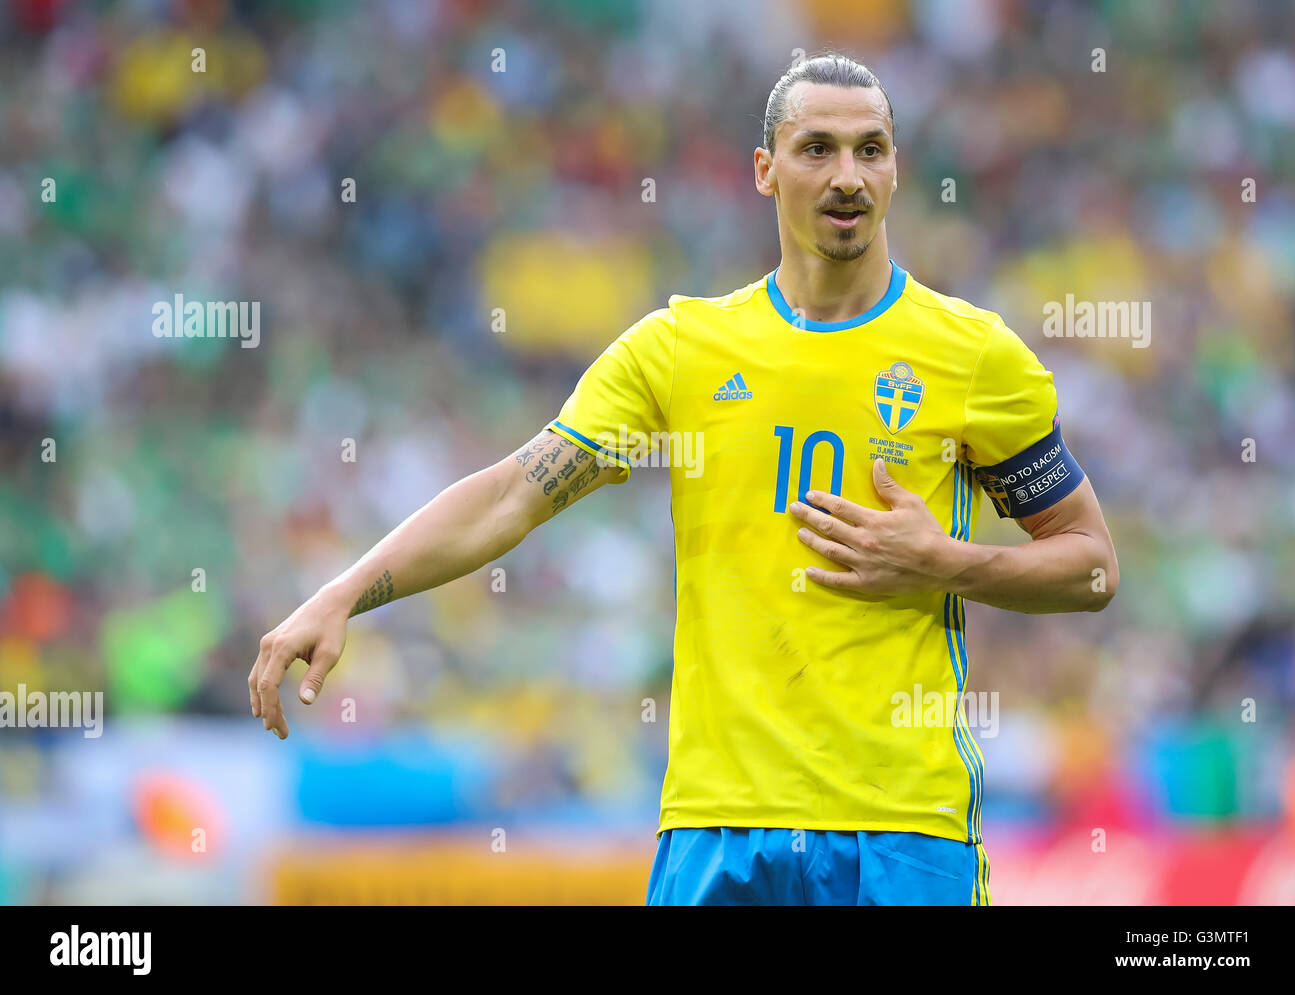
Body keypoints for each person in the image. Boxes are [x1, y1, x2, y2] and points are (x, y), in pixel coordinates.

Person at [248, 52, 1119, 906]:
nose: (847, 174)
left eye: (871, 148)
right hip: (718, 825)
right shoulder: (681, 350)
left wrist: (948, 561)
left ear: (895, 169)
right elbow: (513, 493)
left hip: (907, 825)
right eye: (817, 148)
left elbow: (1091, 566)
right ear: (765, 170)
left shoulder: (972, 354)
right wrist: (345, 591)